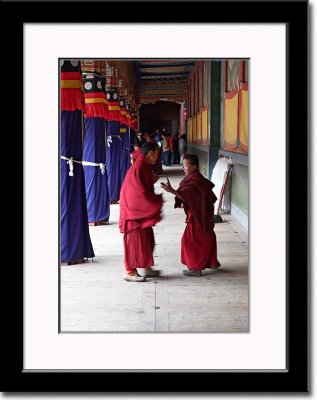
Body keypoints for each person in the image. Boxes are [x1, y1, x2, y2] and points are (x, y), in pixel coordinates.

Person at [160, 153, 220, 276]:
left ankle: (195, 268)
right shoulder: (196, 178)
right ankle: (212, 262)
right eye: (183, 165)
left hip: (198, 216)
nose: (183, 168)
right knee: (207, 237)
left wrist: (172, 191)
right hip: (203, 214)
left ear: (194, 166)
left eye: (186, 166)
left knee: (189, 241)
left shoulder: (195, 181)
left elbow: (188, 196)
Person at [119, 142, 163, 282]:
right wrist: (153, 203)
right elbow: (136, 192)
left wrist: (151, 180)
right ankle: (130, 272)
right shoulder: (139, 166)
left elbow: (142, 185)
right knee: (134, 244)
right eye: (157, 153)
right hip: (133, 213)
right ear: (151, 152)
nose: (158, 156)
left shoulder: (143, 165)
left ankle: (146, 267)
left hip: (137, 212)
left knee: (147, 240)